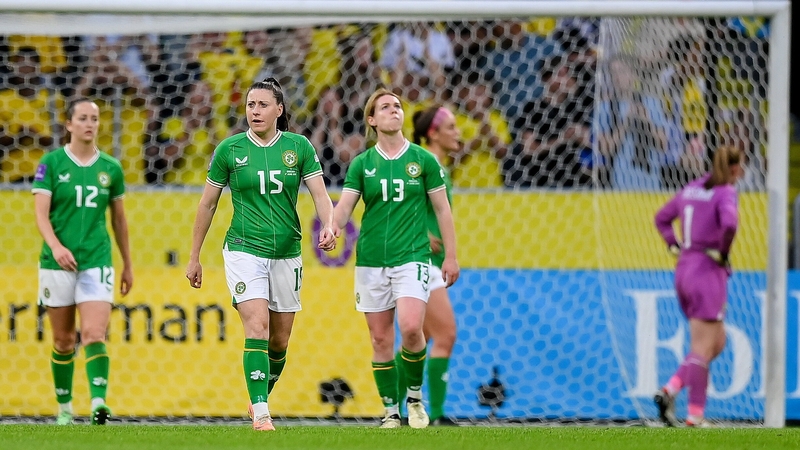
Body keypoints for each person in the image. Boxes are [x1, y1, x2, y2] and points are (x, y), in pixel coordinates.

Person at [185, 78, 336, 431]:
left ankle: (259, 397)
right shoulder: (230, 150)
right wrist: (194, 256)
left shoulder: (298, 147)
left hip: (287, 252)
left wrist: (328, 224)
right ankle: (262, 412)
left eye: (262, 105)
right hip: (243, 248)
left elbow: (320, 194)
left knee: (279, 342)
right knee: (257, 325)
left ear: (279, 110)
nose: (255, 111)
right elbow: (207, 204)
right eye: (251, 105)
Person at [333, 88, 460, 429]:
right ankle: (391, 411)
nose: (394, 110)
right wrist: (332, 227)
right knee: (380, 339)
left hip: (414, 257)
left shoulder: (424, 161)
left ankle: (416, 398)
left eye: (398, 106)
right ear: (372, 121)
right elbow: (345, 206)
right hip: (371, 259)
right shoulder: (362, 164)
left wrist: (451, 256)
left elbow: (442, 210)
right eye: (385, 107)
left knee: (411, 327)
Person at [31, 98, 134, 426]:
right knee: (62, 341)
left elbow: (119, 220)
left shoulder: (111, 169)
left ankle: (99, 404)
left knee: (93, 333)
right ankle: (64, 408)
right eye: (84, 118)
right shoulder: (51, 163)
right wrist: (57, 247)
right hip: (56, 262)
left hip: (96, 260)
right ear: (70, 124)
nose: (90, 124)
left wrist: (128, 264)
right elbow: (40, 214)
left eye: (95, 118)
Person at [652, 145, 742, 428]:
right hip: (707, 271)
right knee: (703, 347)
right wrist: (723, 251)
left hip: (684, 270)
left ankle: (672, 389)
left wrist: (673, 245)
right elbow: (729, 223)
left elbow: (661, 218)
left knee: (718, 342)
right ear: (734, 169)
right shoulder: (725, 191)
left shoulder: (691, 189)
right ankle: (695, 415)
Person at [393, 105, 460, 426]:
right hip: (419, 260)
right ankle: (435, 414)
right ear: (433, 133)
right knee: (445, 333)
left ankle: (395, 408)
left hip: (425, 260)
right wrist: (421, 233)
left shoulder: (435, 166)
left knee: (420, 335)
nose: (458, 132)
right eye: (451, 126)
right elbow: (398, 201)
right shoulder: (423, 162)